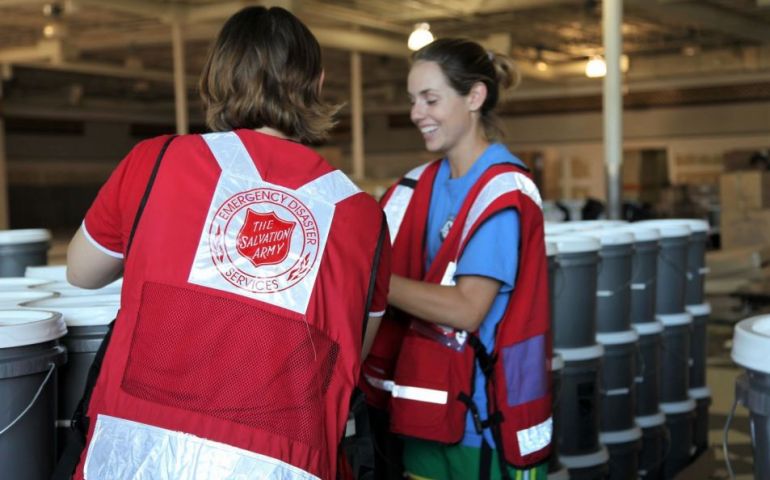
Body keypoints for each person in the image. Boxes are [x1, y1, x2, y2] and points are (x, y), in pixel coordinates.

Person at [64, 6, 389, 480]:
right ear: (317, 83)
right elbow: (353, 350)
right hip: (283, 465)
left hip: (134, 452)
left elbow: (81, 272)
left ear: (216, 77)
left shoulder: (155, 161)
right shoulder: (363, 217)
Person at [361, 38, 551, 480]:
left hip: (485, 422)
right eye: (412, 100)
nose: (416, 113)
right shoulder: (415, 187)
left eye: (430, 99)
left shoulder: (501, 192)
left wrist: (372, 278)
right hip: (423, 410)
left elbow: (467, 308)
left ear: (475, 97)